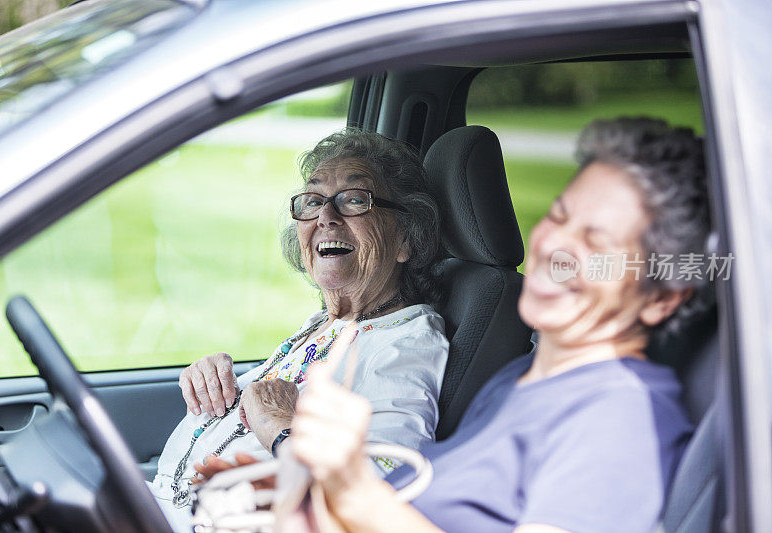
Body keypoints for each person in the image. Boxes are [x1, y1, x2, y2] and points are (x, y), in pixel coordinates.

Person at [287, 117, 709, 533]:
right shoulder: (524, 377)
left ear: (662, 296)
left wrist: (348, 484)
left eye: (599, 242)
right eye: (559, 216)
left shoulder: (619, 417)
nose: (558, 247)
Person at [148, 130, 450, 530]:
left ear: (405, 240)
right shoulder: (327, 325)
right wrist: (217, 386)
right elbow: (263, 403)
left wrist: (280, 427)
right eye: (313, 201)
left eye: (355, 200)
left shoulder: (407, 344)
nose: (326, 216)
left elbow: (377, 495)